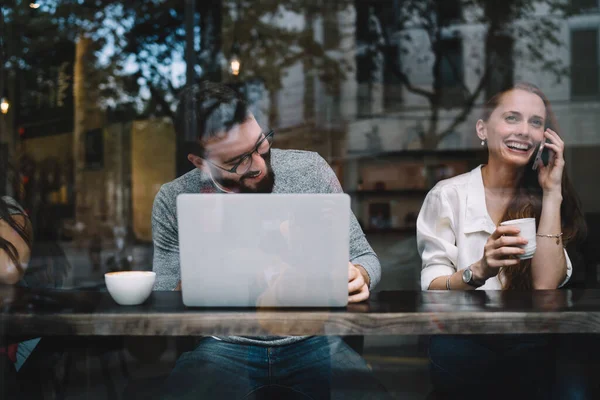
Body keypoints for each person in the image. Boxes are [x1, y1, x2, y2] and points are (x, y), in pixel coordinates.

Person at [152, 81, 390, 399]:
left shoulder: (310, 169)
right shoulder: (175, 198)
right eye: (238, 161)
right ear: (199, 162)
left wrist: (359, 276)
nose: (260, 166)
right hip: (222, 347)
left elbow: (365, 256)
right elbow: (163, 301)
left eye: (261, 144)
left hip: (312, 341)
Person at [416, 82, 589, 399]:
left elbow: (545, 286)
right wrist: (478, 270)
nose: (525, 131)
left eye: (536, 122)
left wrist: (551, 193)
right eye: (512, 118)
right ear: (483, 129)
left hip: (532, 341)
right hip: (463, 337)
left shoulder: (545, 195)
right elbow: (431, 285)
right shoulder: (448, 194)